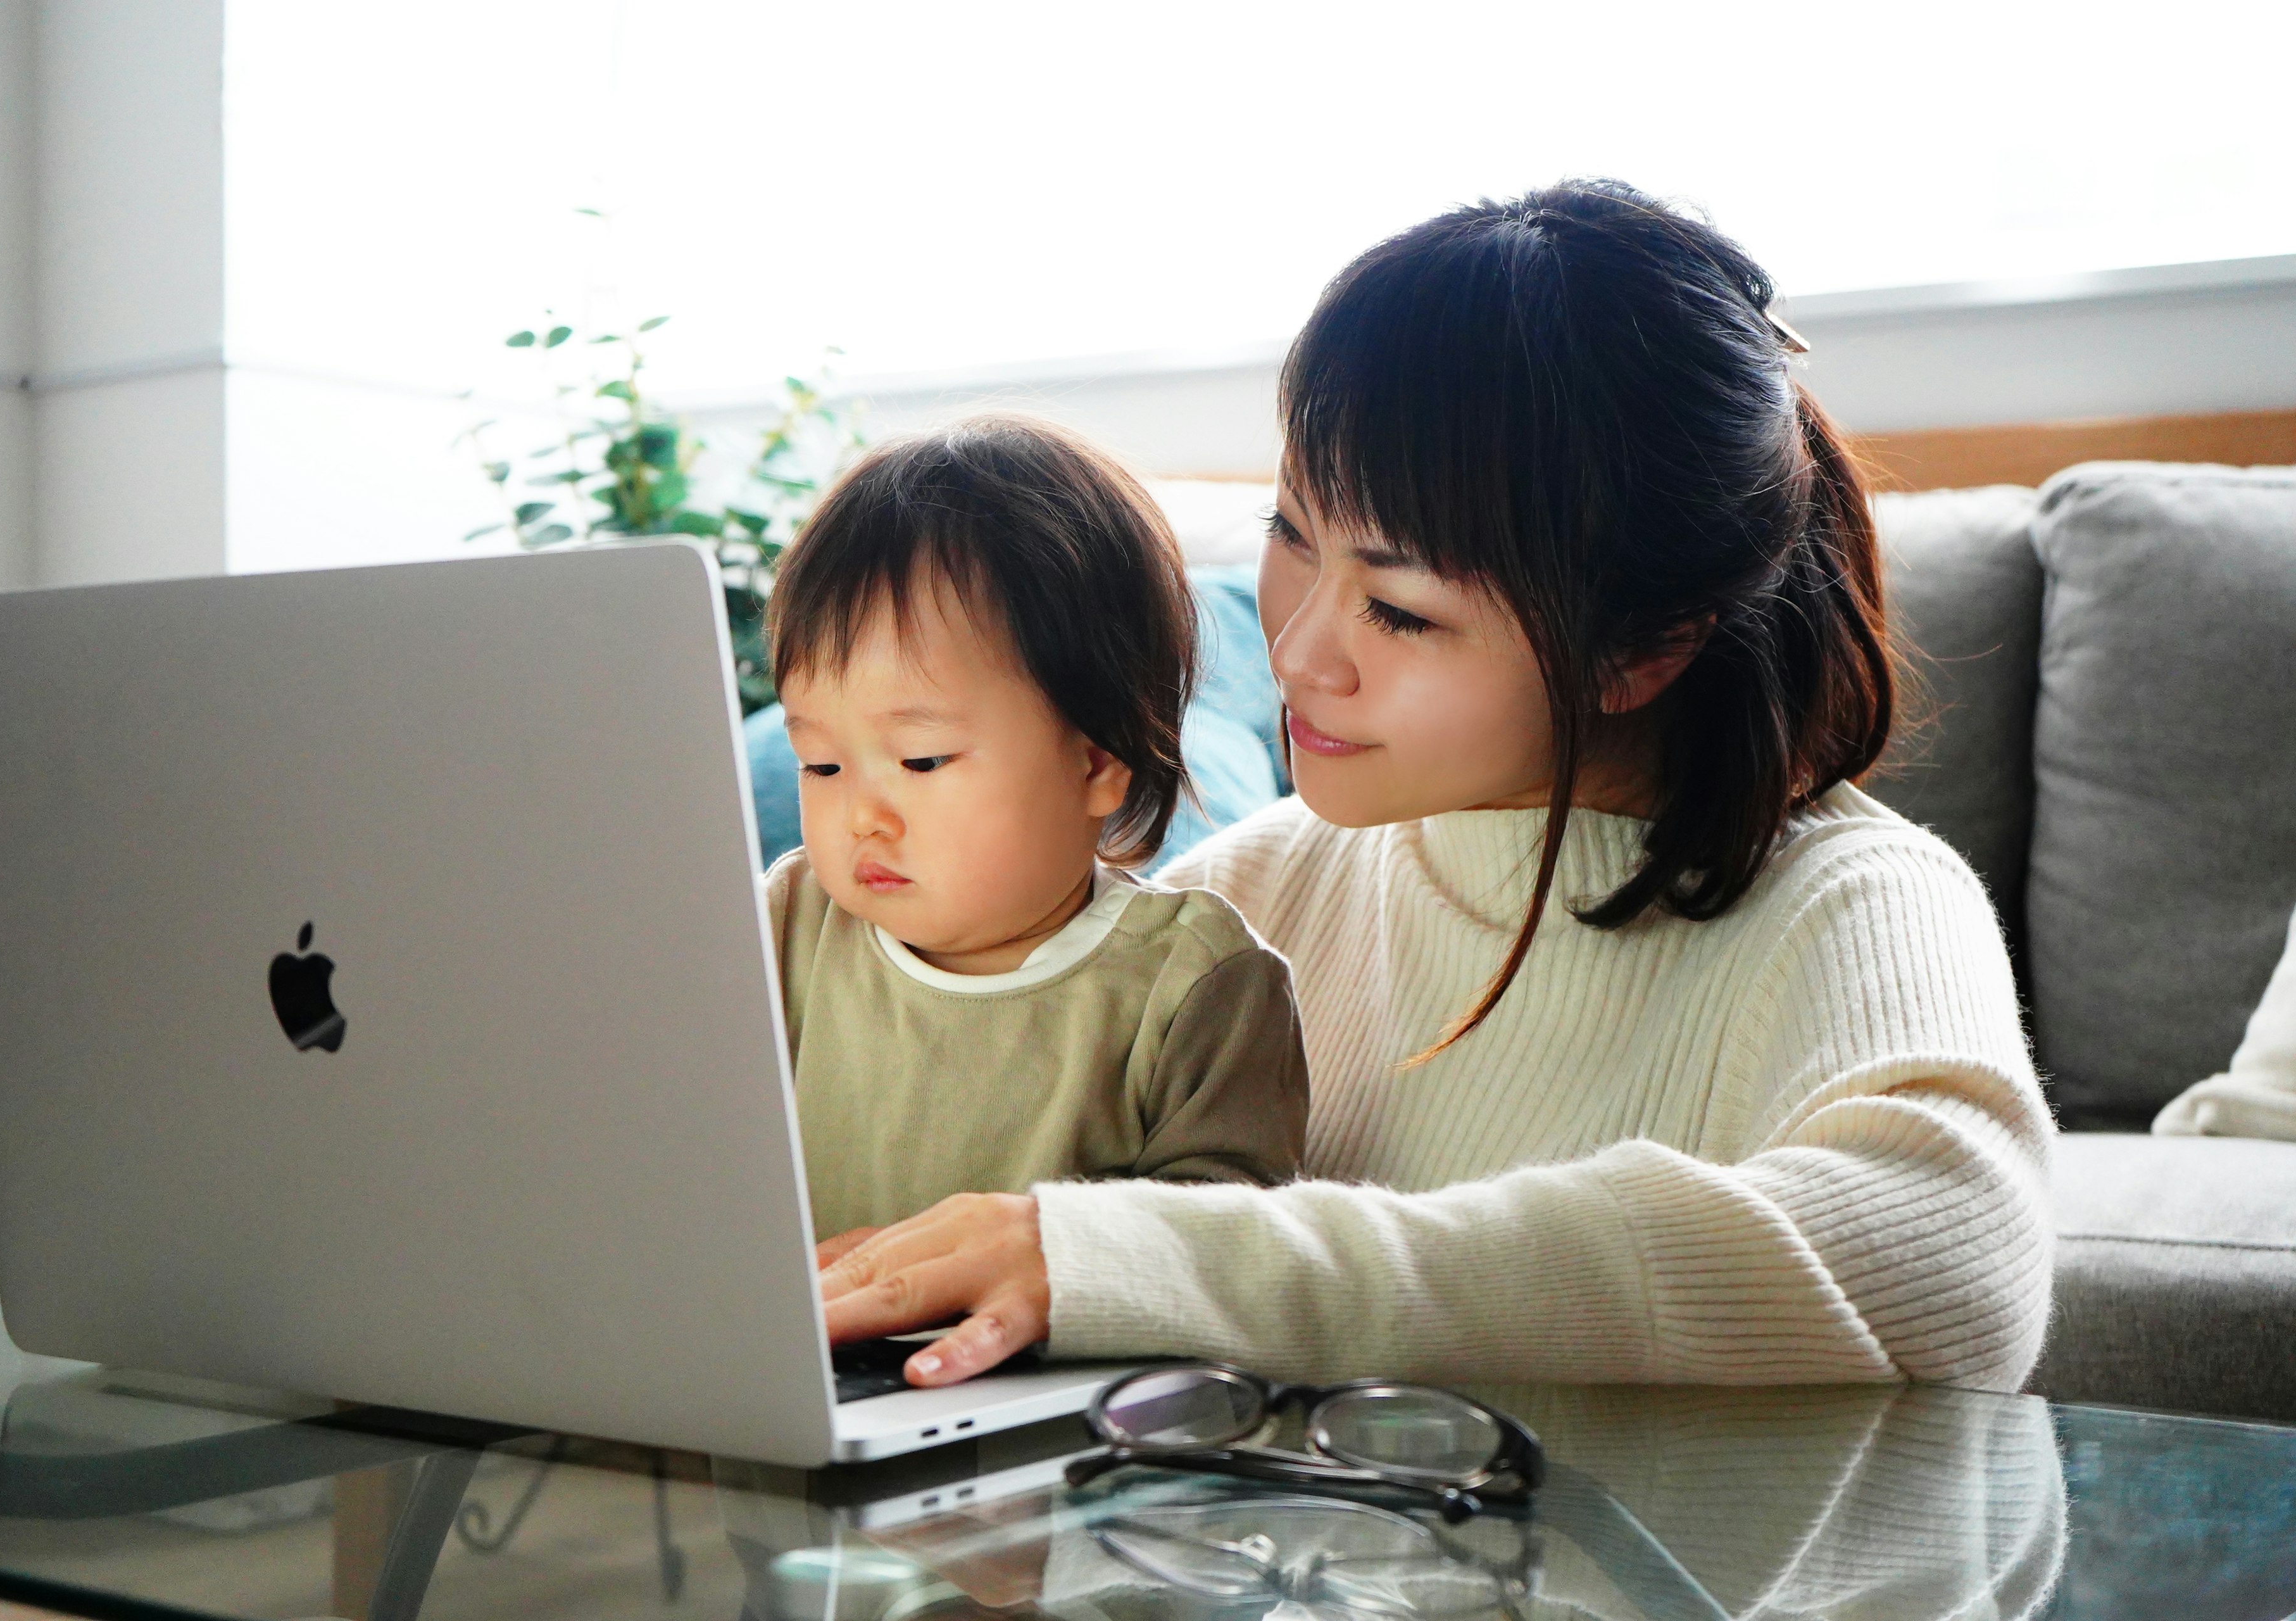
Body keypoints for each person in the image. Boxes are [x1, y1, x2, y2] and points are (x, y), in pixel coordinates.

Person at [816, 180, 2056, 1391]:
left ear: (1637, 647)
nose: (1296, 650)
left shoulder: (1853, 900)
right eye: (1292, 533)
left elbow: (1957, 1261)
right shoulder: (1255, 893)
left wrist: (1187, 1261)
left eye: (1401, 611)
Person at [761, 416, 1308, 1241]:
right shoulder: (790, 922)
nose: (861, 817)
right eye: (822, 765)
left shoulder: (1196, 985)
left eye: (921, 761)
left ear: (1096, 763)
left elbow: (1225, 1251)